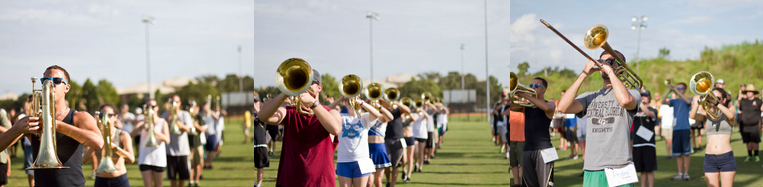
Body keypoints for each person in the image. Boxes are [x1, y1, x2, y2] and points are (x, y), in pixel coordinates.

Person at [4, 65, 105, 187]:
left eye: (56, 81)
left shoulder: (80, 117)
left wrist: (57, 125)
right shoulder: (33, 120)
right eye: (45, 81)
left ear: (66, 88)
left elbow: (98, 143)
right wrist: (17, 129)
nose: (50, 84)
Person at [557, 50, 641, 186]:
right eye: (602, 61)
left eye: (611, 61)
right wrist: (583, 75)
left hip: (620, 167)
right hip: (593, 166)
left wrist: (611, 72)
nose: (605, 64)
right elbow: (562, 107)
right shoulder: (590, 96)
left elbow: (625, 101)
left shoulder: (633, 93)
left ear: (622, 67)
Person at [257, 68, 343, 187]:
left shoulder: (331, 113)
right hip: (290, 182)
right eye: (303, 81)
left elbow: (335, 129)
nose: (305, 85)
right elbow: (262, 116)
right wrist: (285, 93)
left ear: (319, 88)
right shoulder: (290, 113)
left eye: (310, 82)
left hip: (322, 183)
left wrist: (313, 103)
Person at [329, 96, 389, 187]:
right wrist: (340, 99)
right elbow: (326, 110)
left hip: (362, 160)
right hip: (343, 160)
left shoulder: (364, 117)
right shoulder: (341, 117)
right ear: (345, 103)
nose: (350, 103)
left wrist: (361, 102)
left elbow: (377, 114)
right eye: (348, 101)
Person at [509, 77, 556, 187]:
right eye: (531, 86)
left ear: (544, 89)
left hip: (544, 149)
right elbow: (511, 106)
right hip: (527, 150)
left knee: (546, 184)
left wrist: (525, 96)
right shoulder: (527, 106)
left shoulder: (550, 104)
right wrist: (515, 95)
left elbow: (545, 107)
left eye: (536, 86)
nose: (532, 88)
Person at [690, 88, 736, 187]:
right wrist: (697, 103)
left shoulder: (729, 113)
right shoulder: (706, 115)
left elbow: (731, 116)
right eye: (711, 97)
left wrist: (717, 104)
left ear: (724, 100)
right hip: (709, 158)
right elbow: (692, 116)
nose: (713, 99)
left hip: (726, 157)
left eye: (717, 98)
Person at [83, 104, 136, 187]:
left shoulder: (123, 135)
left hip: (120, 180)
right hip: (100, 180)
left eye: (109, 115)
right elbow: (84, 160)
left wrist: (114, 147)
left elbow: (131, 159)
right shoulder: (95, 136)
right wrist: (94, 144)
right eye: (102, 115)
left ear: (115, 117)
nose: (105, 117)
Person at [131, 99, 171, 187]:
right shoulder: (142, 122)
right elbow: (131, 135)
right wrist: (141, 127)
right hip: (145, 159)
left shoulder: (162, 122)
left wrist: (154, 131)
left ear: (157, 108)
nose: (150, 108)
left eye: (152, 106)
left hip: (158, 159)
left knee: (158, 185)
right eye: (148, 106)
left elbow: (167, 140)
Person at [161, 95, 194, 187]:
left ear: (180, 103)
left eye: (176, 102)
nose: (174, 104)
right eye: (171, 102)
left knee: (183, 175)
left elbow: (189, 129)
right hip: (170, 150)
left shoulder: (184, 114)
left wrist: (179, 124)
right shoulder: (165, 115)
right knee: (172, 176)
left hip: (183, 150)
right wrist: (168, 119)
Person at [664, 82, 693, 181]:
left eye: (681, 88)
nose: (679, 89)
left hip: (685, 128)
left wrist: (677, 92)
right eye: (678, 88)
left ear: (684, 89)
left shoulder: (688, 99)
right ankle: (680, 173)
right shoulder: (674, 101)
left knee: (687, 152)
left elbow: (689, 103)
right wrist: (669, 90)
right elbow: (663, 101)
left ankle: (686, 174)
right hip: (676, 129)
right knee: (678, 153)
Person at [383, 98, 412, 187]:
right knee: (386, 164)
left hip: (398, 139)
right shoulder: (385, 110)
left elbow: (408, 111)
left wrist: (398, 104)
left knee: (395, 165)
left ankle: (392, 185)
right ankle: (388, 181)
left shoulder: (398, 111)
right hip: (386, 139)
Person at [631, 90, 658, 187]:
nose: (643, 97)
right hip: (637, 143)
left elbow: (647, 113)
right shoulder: (634, 110)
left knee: (649, 169)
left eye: (645, 96)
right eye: (641, 96)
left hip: (649, 143)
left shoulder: (653, 110)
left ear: (649, 98)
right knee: (642, 169)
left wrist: (639, 101)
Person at [738, 84, 763, 162]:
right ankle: (749, 155)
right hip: (745, 125)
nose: (749, 93)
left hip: (755, 125)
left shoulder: (758, 101)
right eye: (747, 92)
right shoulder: (743, 101)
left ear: (753, 93)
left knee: (755, 140)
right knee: (747, 141)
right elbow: (740, 111)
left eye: (750, 92)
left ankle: (756, 155)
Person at [187, 101, 207, 187]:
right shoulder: (186, 117)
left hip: (198, 143)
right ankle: (190, 181)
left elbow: (203, 129)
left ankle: (197, 181)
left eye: (192, 106)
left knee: (198, 163)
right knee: (190, 164)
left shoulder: (198, 117)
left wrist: (195, 125)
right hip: (188, 144)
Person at [251, 96, 269, 187]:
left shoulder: (262, 113)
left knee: (260, 166)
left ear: (259, 103)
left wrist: (256, 108)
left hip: (260, 143)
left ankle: (258, 185)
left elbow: (263, 118)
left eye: (256, 102)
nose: (254, 103)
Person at [506, 110, 525, 187]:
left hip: (522, 138)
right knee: (513, 163)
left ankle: (523, 184)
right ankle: (516, 184)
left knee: (522, 164)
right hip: (511, 137)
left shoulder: (522, 104)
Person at [398, 102, 415, 183]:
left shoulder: (410, 115)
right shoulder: (400, 116)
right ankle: (404, 170)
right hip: (403, 138)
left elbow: (414, 119)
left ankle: (409, 176)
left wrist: (408, 112)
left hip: (410, 138)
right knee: (404, 159)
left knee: (410, 157)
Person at [412, 105, 429, 174]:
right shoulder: (414, 114)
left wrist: (422, 111)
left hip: (422, 135)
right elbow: (413, 119)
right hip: (414, 135)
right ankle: (416, 163)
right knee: (415, 151)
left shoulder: (423, 115)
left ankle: (420, 167)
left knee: (421, 152)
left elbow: (428, 116)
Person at [658, 94, 675, 159]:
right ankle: (668, 154)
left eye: (669, 98)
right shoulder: (662, 106)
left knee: (670, 140)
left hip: (671, 125)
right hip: (664, 125)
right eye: (667, 98)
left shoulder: (672, 106)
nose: (668, 99)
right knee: (667, 141)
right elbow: (660, 115)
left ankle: (672, 154)